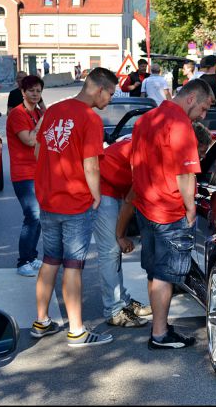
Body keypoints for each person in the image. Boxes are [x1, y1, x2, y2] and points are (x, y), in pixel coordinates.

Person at [31, 67, 119, 347]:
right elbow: (91, 165)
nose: (110, 100)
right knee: (73, 264)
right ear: (99, 89)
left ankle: (42, 321)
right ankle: (77, 330)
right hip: (74, 201)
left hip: (49, 198)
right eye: (111, 94)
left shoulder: (54, 110)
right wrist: (95, 195)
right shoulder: (90, 118)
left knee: (50, 260)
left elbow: (37, 149)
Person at [131, 78, 214, 350]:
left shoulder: (147, 119)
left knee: (155, 273)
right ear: (191, 99)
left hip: (145, 206)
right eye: (203, 108)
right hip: (168, 210)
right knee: (166, 275)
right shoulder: (180, 124)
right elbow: (185, 173)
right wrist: (191, 209)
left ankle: (160, 326)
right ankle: (160, 334)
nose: (203, 115)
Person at [93, 137, 152, 328]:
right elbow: (130, 200)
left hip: (115, 187)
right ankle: (114, 311)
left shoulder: (151, 146)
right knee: (110, 250)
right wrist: (120, 235)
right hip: (102, 186)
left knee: (115, 252)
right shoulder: (147, 153)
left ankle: (122, 301)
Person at [6, 75, 46, 277]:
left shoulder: (38, 112)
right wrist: (42, 122)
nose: (35, 94)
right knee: (32, 215)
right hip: (23, 173)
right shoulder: (17, 114)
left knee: (38, 219)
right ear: (22, 92)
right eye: (31, 91)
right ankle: (23, 262)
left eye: (38, 91)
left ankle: (31, 257)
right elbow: (30, 140)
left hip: (38, 172)